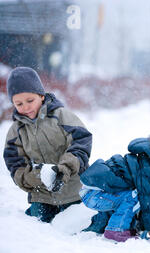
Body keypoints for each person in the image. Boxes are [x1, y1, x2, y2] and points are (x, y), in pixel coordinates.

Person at [3, 67, 92, 223]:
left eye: (30, 101)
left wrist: (64, 169)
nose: (26, 107)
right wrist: (33, 177)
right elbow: (14, 163)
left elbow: (81, 142)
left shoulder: (61, 116)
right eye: (19, 104)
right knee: (36, 227)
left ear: (41, 96)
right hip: (41, 194)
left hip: (73, 190)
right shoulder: (16, 131)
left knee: (77, 224)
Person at [79, 130, 150, 246]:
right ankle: (116, 231)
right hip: (94, 193)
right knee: (135, 197)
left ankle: (101, 225)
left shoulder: (147, 162)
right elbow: (148, 206)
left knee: (128, 197)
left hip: (95, 192)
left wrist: (147, 228)